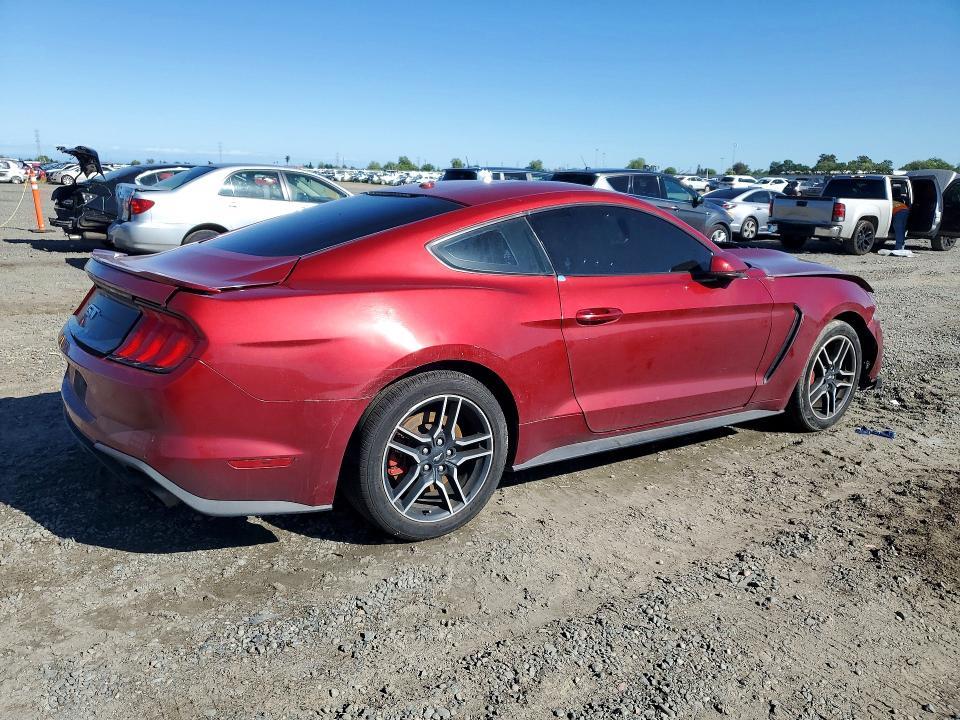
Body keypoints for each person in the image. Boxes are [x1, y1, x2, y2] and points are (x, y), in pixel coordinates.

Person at [882, 188, 913, 257]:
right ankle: (901, 246)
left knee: (898, 228)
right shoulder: (891, 201)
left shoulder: (886, 203)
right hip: (904, 209)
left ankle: (899, 248)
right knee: (901, 229)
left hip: (900, 211)